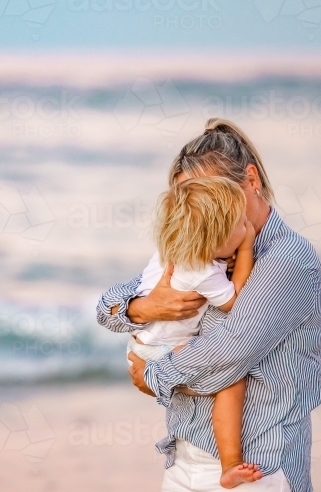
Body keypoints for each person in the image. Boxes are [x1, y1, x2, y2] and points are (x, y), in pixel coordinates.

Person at [96, 118, 321, 492]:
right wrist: (147, 308)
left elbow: (227, 356)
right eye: (192, 199)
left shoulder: (287, 260)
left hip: (257, 467)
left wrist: (154, 375)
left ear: (251, 181)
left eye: (212, 194)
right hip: (185, 458)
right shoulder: (205, 248)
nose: (202, 213)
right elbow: (108, 308)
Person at [130, 176, 260, 488]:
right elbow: (236, 301)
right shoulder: (203, 271)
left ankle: (168, 385)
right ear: (217, 241)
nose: (248, 224)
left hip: (142, 343)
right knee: (232, 381)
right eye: (241, 224)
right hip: (161, 351)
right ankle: (229, 462)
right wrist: (246, 248)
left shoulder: (169, 252)